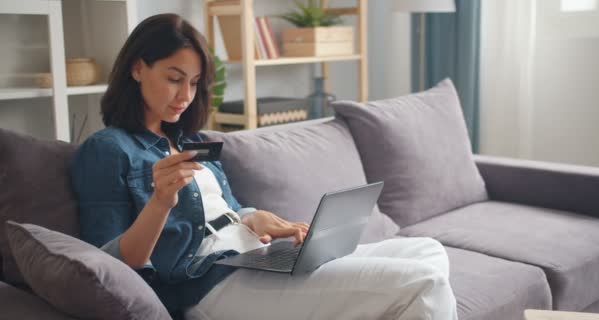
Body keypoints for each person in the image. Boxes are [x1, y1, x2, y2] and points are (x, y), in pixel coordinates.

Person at [70, 13, 458, 320]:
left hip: (254, 257)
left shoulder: (191, 142)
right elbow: (111, 263)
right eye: (174, 79)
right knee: (423, 283)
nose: (185, 96)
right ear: (137, 68)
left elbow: (231, 211)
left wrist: (260, 220)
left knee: (427, 250)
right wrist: (159, 203)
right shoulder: (108, 149)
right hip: (208, 283)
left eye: (194, 83)